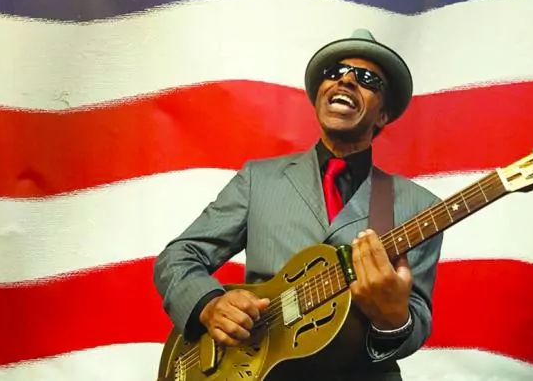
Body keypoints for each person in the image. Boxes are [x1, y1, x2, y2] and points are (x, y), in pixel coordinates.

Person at [153, 29, 444, 380]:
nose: (346, 80)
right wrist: (209, 304)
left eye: (367, 79)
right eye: (335, 73)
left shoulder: (420, 207)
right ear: (320, 94)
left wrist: (394, 320)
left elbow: (415, 320)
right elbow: (179, 256)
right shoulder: (258, 179)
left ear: (382, 114)